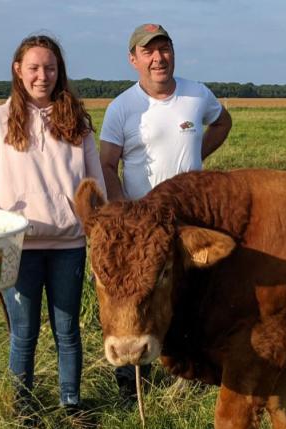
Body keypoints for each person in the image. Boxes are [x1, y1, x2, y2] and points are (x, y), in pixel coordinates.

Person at [0, 34, 105, 420]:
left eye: (50, 68)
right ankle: (22, 407)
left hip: (69, 244)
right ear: (18, 71)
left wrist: (99, 231)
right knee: (24, 333)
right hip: (17, 246)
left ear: (60, 72)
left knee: (68, 330)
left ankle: (71, 405)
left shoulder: (78, 121)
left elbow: (95, 186)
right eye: (35, 68)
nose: (43, 76)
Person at [98, 23, 233, 402]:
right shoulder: (122, 107)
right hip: (145, 232)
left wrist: (198, 157)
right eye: (148, 52)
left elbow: (223, 122)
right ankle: (131, 385)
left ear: (173, 52)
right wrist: (126, 211)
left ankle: (193, 373)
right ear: (134, 60)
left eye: (164, 49)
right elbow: (107, 163)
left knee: (192, 298)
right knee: (134, 300)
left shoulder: (196, 95)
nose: (158, 58)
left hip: (189, 222)